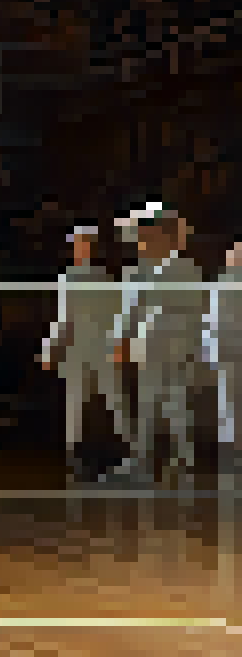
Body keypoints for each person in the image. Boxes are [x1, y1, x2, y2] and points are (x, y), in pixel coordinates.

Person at [110, 202, 206, 489]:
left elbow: (196, 310)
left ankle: (171, 460)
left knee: (167, 401)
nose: (140, 240)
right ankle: (153, 460)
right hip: (151, 343)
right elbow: (129, 311)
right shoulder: (139, 271)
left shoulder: (183, 268)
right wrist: (122, 338)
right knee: (156, 401)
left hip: (170, 343)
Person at [40, 224, 129, 482]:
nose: (82, 248)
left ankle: (111, 456)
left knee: (106, 401)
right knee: (85, 403)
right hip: (84, 348)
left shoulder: (98, 278)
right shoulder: (80, 278)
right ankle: (83, 458)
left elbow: (69, 319)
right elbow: (64, 319)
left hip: (95, 347)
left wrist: (51, 349)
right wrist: (52, 348)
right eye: (80, 243)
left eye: (84, 243)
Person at [208, 239, 242, 478]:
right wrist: (210, 354)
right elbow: (210, 324)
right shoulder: (218, 287)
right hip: (226, 355)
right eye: (233, 256)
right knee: (227, 407)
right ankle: (232, 455)